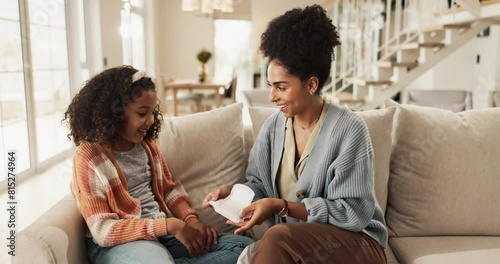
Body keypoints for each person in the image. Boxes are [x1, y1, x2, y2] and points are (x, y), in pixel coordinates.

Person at [202, 5, 387, 263]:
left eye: (281, 87)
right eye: (270, 86)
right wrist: (234, 195)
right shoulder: (272, 128)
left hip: (355, 242)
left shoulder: (350, 130)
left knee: (275, 238)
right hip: (295, 244)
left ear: (311, 84)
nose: (271, 96)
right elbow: (259, 186)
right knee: (272, 242)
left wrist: (282, 206)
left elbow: (354, 214)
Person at [63, 65, 253, 264]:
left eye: (153, 112)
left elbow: (168, 191)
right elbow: (103, 230)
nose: (150, 121)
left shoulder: (147, 146)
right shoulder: (89, 157)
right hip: (120, 243)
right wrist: (170, 225)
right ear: (115, 113)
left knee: (247, 248)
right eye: (142, 113)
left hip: (162, 236)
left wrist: (191, 221)